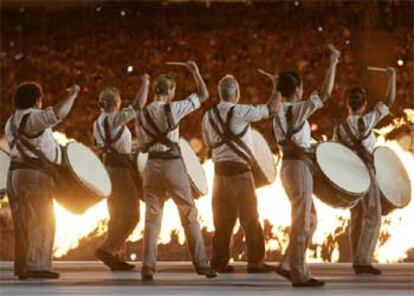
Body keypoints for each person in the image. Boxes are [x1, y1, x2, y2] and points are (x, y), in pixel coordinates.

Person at [136, 61, 217, 281]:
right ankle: (201, 264)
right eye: (173, 90)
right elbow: (203, 94)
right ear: (170, 91)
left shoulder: (142, 114)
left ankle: (148, 267)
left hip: (152, 166)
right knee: (188, 213)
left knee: (152, 218)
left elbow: (142, 146)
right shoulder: (175, 107)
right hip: (172, 164)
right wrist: (195, 71)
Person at [272, 45, 340, 287]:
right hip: (298, 167)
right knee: (303, 221)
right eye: (301, 87)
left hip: (293, 166)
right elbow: (325, 93)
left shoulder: (281, 112)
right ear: (298, 90)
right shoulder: (294, 111)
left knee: (310, 219)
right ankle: (299, 275)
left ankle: (288, 264)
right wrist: (333, 63)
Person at [202, 74, 281, 273]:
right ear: (236, 94)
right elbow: (271, 109)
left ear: (220, 94)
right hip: (240, 172)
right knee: (250, 218)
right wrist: (277, 87)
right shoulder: (241, 111)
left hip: (219, 174)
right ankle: (255, 262)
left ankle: (219, 261)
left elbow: (209, 145)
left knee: (222, 220)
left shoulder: (208, 116)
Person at [5, 82, 80, 279]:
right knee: (43, 220)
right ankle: (37, 266)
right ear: (37, 100)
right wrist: (72, 95)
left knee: (23, 222)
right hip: (35, 174)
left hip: (16, 174)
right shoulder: (33, 117)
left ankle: (23, 265)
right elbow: (57, 114)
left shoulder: (11, 121)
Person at [333, 67, 396, 275]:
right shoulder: (366, 121)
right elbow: (388, 103)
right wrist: (392, 78)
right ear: (364, 104)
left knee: (356, 215)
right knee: (373, 215)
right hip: (366, 172)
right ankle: (363, 261)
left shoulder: (340, 127)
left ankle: (357, 258)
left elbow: (335, 152)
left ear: (346, 104)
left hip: (349, 175)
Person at [93, 74, 150, 271]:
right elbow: (138, 106)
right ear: (116, 102)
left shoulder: (98, 122)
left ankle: (117, 257)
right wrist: (145, 83)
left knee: (116, 215)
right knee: (132, 214)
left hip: (107, 169)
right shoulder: (114, 119)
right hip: (120, 171)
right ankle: (108, 249)